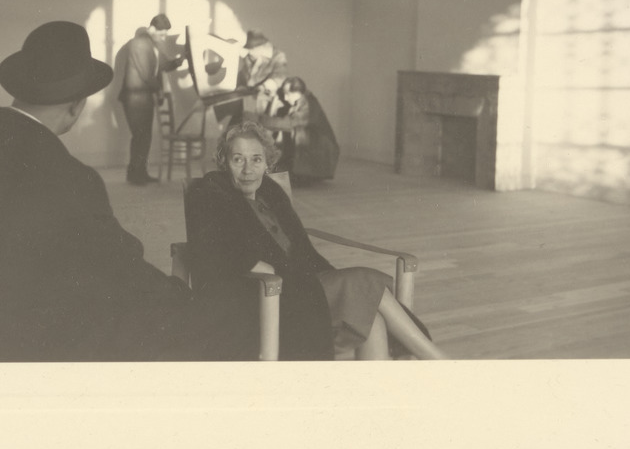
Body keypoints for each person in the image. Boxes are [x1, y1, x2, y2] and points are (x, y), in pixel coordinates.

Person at [0, 21, 250, 362]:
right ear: (76, 105)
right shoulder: (73, 177)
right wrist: (183, 297)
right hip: (48, 347)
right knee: (228, 323)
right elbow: (125, 271)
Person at [184, 121, 447, 361]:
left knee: (372, 317)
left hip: (305, 286)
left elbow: (303, 251)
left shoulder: (270, 193)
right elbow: (221, 252)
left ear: (267, 163)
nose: (248, 169)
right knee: (366, 284)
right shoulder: (212, 195)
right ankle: (437, 361)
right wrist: (263, 268)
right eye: (237, 159)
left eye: (256, 159)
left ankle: (378, 391)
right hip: (271, 297)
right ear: (224, 162)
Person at [117, 13, 183, 184]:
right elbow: (146, 73)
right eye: (162, 34)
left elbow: (163, 65)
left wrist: (180, 60)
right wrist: (159, 90)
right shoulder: (139, 43)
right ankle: (135, 175)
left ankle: (140, 172)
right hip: (135, 98)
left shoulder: (152, 44)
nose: (163, 38)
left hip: (143, 97)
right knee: (140, 135)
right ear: (152, 28)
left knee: (144, 136)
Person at [260, 76, 340, 183]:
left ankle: (303, 174)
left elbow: (289, 123)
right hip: (313, 147)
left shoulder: (308, 104)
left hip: (320, 149)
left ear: (297, 92)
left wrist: (261, 120)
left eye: (287, 94)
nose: (285, 98)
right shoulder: (302, 100)